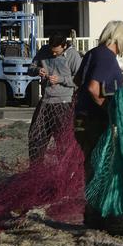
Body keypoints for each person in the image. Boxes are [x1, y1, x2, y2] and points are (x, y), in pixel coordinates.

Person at [74, 20, 123, 229]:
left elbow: (78, 80)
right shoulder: (107, 56)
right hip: (94, 121)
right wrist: (109, 109)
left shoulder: (93, 53)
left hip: (80, 118)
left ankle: (92, 212)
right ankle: (95, 214)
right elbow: (92, 87)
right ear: (120, 39)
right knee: (100, 166)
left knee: (90, 165)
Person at [27, 31, 80, 161]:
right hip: (45, 101)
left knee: (63, 141)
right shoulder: (44, 50)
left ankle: (64, 171)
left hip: (64, 102)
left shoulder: (73, 55)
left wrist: (61, 79)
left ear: (64, 46)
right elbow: (30, 68)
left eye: (57, 52)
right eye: (52, 51)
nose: (54, 54)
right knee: (36, 137)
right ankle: (35, 170)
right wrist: (37, 70)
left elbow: (80, 79)